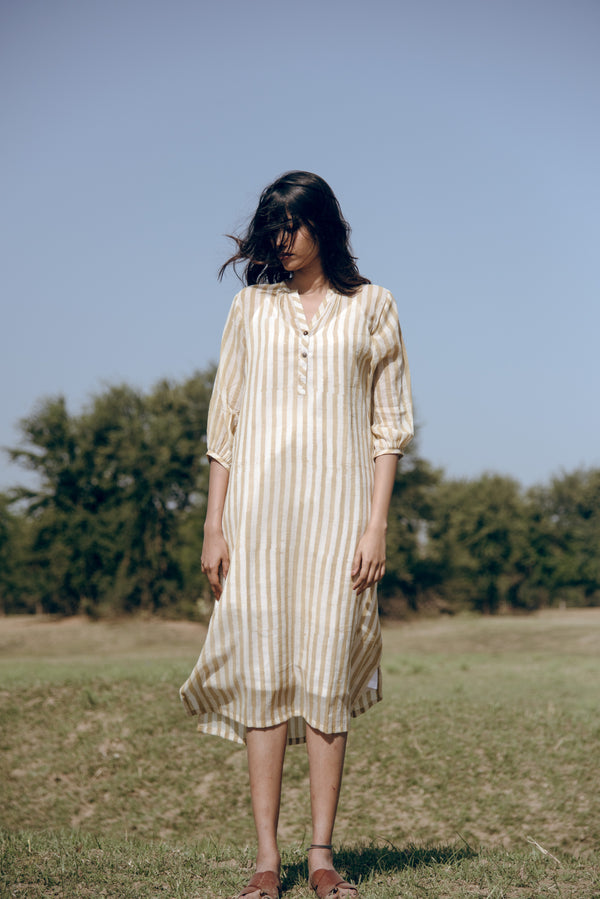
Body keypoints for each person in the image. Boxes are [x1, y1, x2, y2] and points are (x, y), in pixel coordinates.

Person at [180, 171, 413, 899]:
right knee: (263, 679)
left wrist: (376, 524)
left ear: (324, 226)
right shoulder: (250, 308)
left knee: (326, 680)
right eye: (271, 229)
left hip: (340, 522)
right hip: (257, 521)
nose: (281, 242)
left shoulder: (373, 305)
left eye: (293, 227)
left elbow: (388, 427)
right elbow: (225, 424)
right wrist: (214, 524)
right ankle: (264, 858)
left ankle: (320, 856)